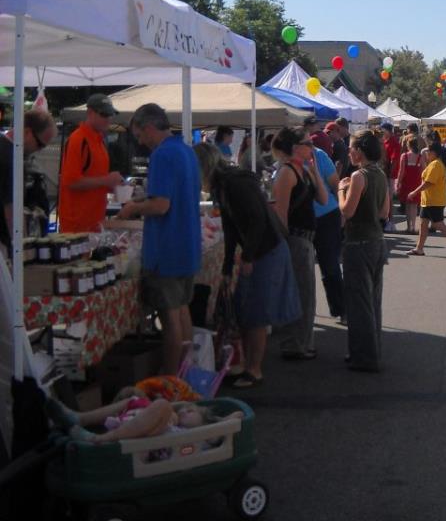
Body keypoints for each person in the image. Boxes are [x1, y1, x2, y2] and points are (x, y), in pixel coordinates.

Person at [193, 143, 301, 388]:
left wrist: (249, 257)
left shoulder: (235, 184)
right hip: (261, 249)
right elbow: (232, 229)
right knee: (246, 310)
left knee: (256, 313)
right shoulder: (225, 185)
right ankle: (245, 365)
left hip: (268, 250)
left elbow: (256, 221)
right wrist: (227, 267)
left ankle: (254, 370)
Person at [117, 104, 201, 375]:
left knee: (170, 317)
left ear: (149, 127)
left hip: (167, 248)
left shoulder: (162, 155)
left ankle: (170, 377)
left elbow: (162, 205)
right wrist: (146, 201)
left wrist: (133, 208)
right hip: (187, 244)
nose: (141, 142)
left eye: (140, 136)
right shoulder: (186, 150)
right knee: (182, 310)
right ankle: (185, 373)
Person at [270, 128, 328, 361]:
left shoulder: (303, 170)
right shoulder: (286, 173)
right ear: (295, 147)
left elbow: (323, 199)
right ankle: (295, 344)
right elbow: (280, 213)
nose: (311, 147)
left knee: (307, 295)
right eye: (307, 143)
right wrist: (282, 244)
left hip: (305, 240)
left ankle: (302, 342)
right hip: (294, 239)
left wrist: (314, 172)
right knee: (300, 294)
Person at [338, 129, 391, 372]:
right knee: (373, 300)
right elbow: (384, 212)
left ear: (359, 152)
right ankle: (372, 351)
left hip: (358, 243)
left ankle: (364, 356)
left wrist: (341, 189)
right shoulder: (379, 173)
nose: (349, 151)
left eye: (351, 148)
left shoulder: (359, 176)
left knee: (359, 303)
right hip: (377, 242)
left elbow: (347, 211)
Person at [45, 394, 242, 444]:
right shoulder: (174, 420)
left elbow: (237, 416)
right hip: (139, 431)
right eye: (185, 409)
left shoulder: (204, 436)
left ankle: (99, 440)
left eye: (190, 412)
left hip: (153, 446)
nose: (183, 411)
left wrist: (219, 420)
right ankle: (81, 418)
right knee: (134, 398)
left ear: (205, 423)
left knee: (163, 405)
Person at [58, 93, 125, 232]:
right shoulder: (79, 140)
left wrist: (114, 185)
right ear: (90, 113)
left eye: (110, 115)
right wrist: (107, 181)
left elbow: (95, 179)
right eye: (104, 115)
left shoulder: (99, 141)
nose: (108, 119)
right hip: (77, 227)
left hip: (94, 223)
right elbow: (71, 182)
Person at [0, 108, 56, 255]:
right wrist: (23, 249)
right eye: (40, 144)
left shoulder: (8, 151)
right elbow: (11, 208)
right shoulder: (10, 158)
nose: (39, 150)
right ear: (27, 132)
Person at [310, 130, 344, 323]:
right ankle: (305, 312)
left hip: (326, 216)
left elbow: (335, 185)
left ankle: (341, 309)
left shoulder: (320, 156)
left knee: (329, 266)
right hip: (302, 220)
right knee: (305, 269)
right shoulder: (289, 159)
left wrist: (341, 212)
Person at [406, 141, 446, 256]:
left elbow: (429, 183)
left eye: (428, 152)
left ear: (433, 153)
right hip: (429, 200)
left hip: (434, 201)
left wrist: (414, 192)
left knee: (439, 225)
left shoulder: (436, 164)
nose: (426, 154)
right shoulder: (434, 163)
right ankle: (419, 248)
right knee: (423, 224)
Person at [396, 135, 425, 234]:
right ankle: (413, 226)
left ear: (408, 145)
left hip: (406, 182)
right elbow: (423, 171)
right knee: (414, 206)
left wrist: (398, 182)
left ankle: (409, 227)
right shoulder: (420, 157)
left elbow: (401, 171)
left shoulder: (404, 156)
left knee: (407, 205)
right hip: (416, 182)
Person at [380, 121, 403, 219]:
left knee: (388, 197)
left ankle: (390, 220)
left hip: (389, 173)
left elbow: (394, 160)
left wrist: (390, 174)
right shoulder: (385, 141)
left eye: (383, 130)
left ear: (388, 131)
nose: (381, 132)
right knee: (384, 197)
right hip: (384, 172)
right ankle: (386, 218)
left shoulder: (394, 142)